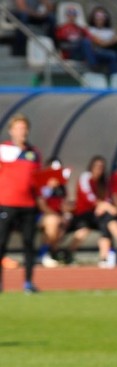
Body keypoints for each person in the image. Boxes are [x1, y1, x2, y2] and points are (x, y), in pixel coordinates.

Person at [0, 113, 43, 293]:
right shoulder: (3, 149)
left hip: (28, 205)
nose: (22, 132)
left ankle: (28, 282)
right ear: (11, 131)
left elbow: (38, 180)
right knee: (1, 243)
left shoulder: (33, 153)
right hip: (6, 203)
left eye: (24, 128)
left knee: (28, 244)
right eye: (18, 128)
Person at [65, 155, 117, 268]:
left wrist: (104, 206)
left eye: (102, 167)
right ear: (91, 167)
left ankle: (106, 256)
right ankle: (68, 254)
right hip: (84, 214)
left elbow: (108, 198)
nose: (99, 169)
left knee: (108, 221)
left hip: (99, 215)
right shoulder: (85, 177)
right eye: (97, 166)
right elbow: (88, 196)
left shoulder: (104, 183)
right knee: (86, 229)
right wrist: (102, 205)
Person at [53, 4, 117, 75]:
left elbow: (92, 40)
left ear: (76, 15)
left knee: (112, 55)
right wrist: (78, 43)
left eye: (74, 13)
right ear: (66, 15)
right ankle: (94, 68)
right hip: (72, 54)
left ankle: (115, 79)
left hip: (87, 53)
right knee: (84, 42)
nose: (72, 15)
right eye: (69, 13)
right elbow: (60, 45)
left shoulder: (81, 29)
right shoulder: (60, 29)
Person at [35, 157, 70, 268]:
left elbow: (64, 204)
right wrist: (56, 215)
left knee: (62, 222)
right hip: (38, 216)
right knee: (53, 221)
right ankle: (43, 254)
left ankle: (51, 253)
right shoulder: (41, 185)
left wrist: (65, 215)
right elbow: (41, 206)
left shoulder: (61, 187)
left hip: (56, 216)